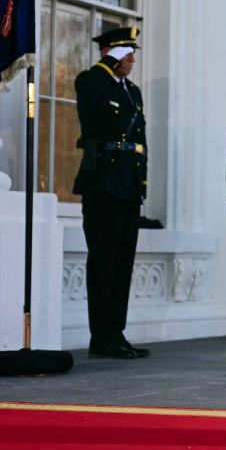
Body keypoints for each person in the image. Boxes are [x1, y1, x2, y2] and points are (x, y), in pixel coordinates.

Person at [73, 26, 151, 360]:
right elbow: (91, 108)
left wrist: (142, 183)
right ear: (110, 53)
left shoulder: (132, 90)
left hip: (129, 186)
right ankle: (101, 336)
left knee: (122, 263)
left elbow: (140, 143)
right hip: (103, 183)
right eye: (126, 53)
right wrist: (107, 62)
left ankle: (115, 331)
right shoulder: (93, 80)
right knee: (103, 262)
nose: (132, 59)